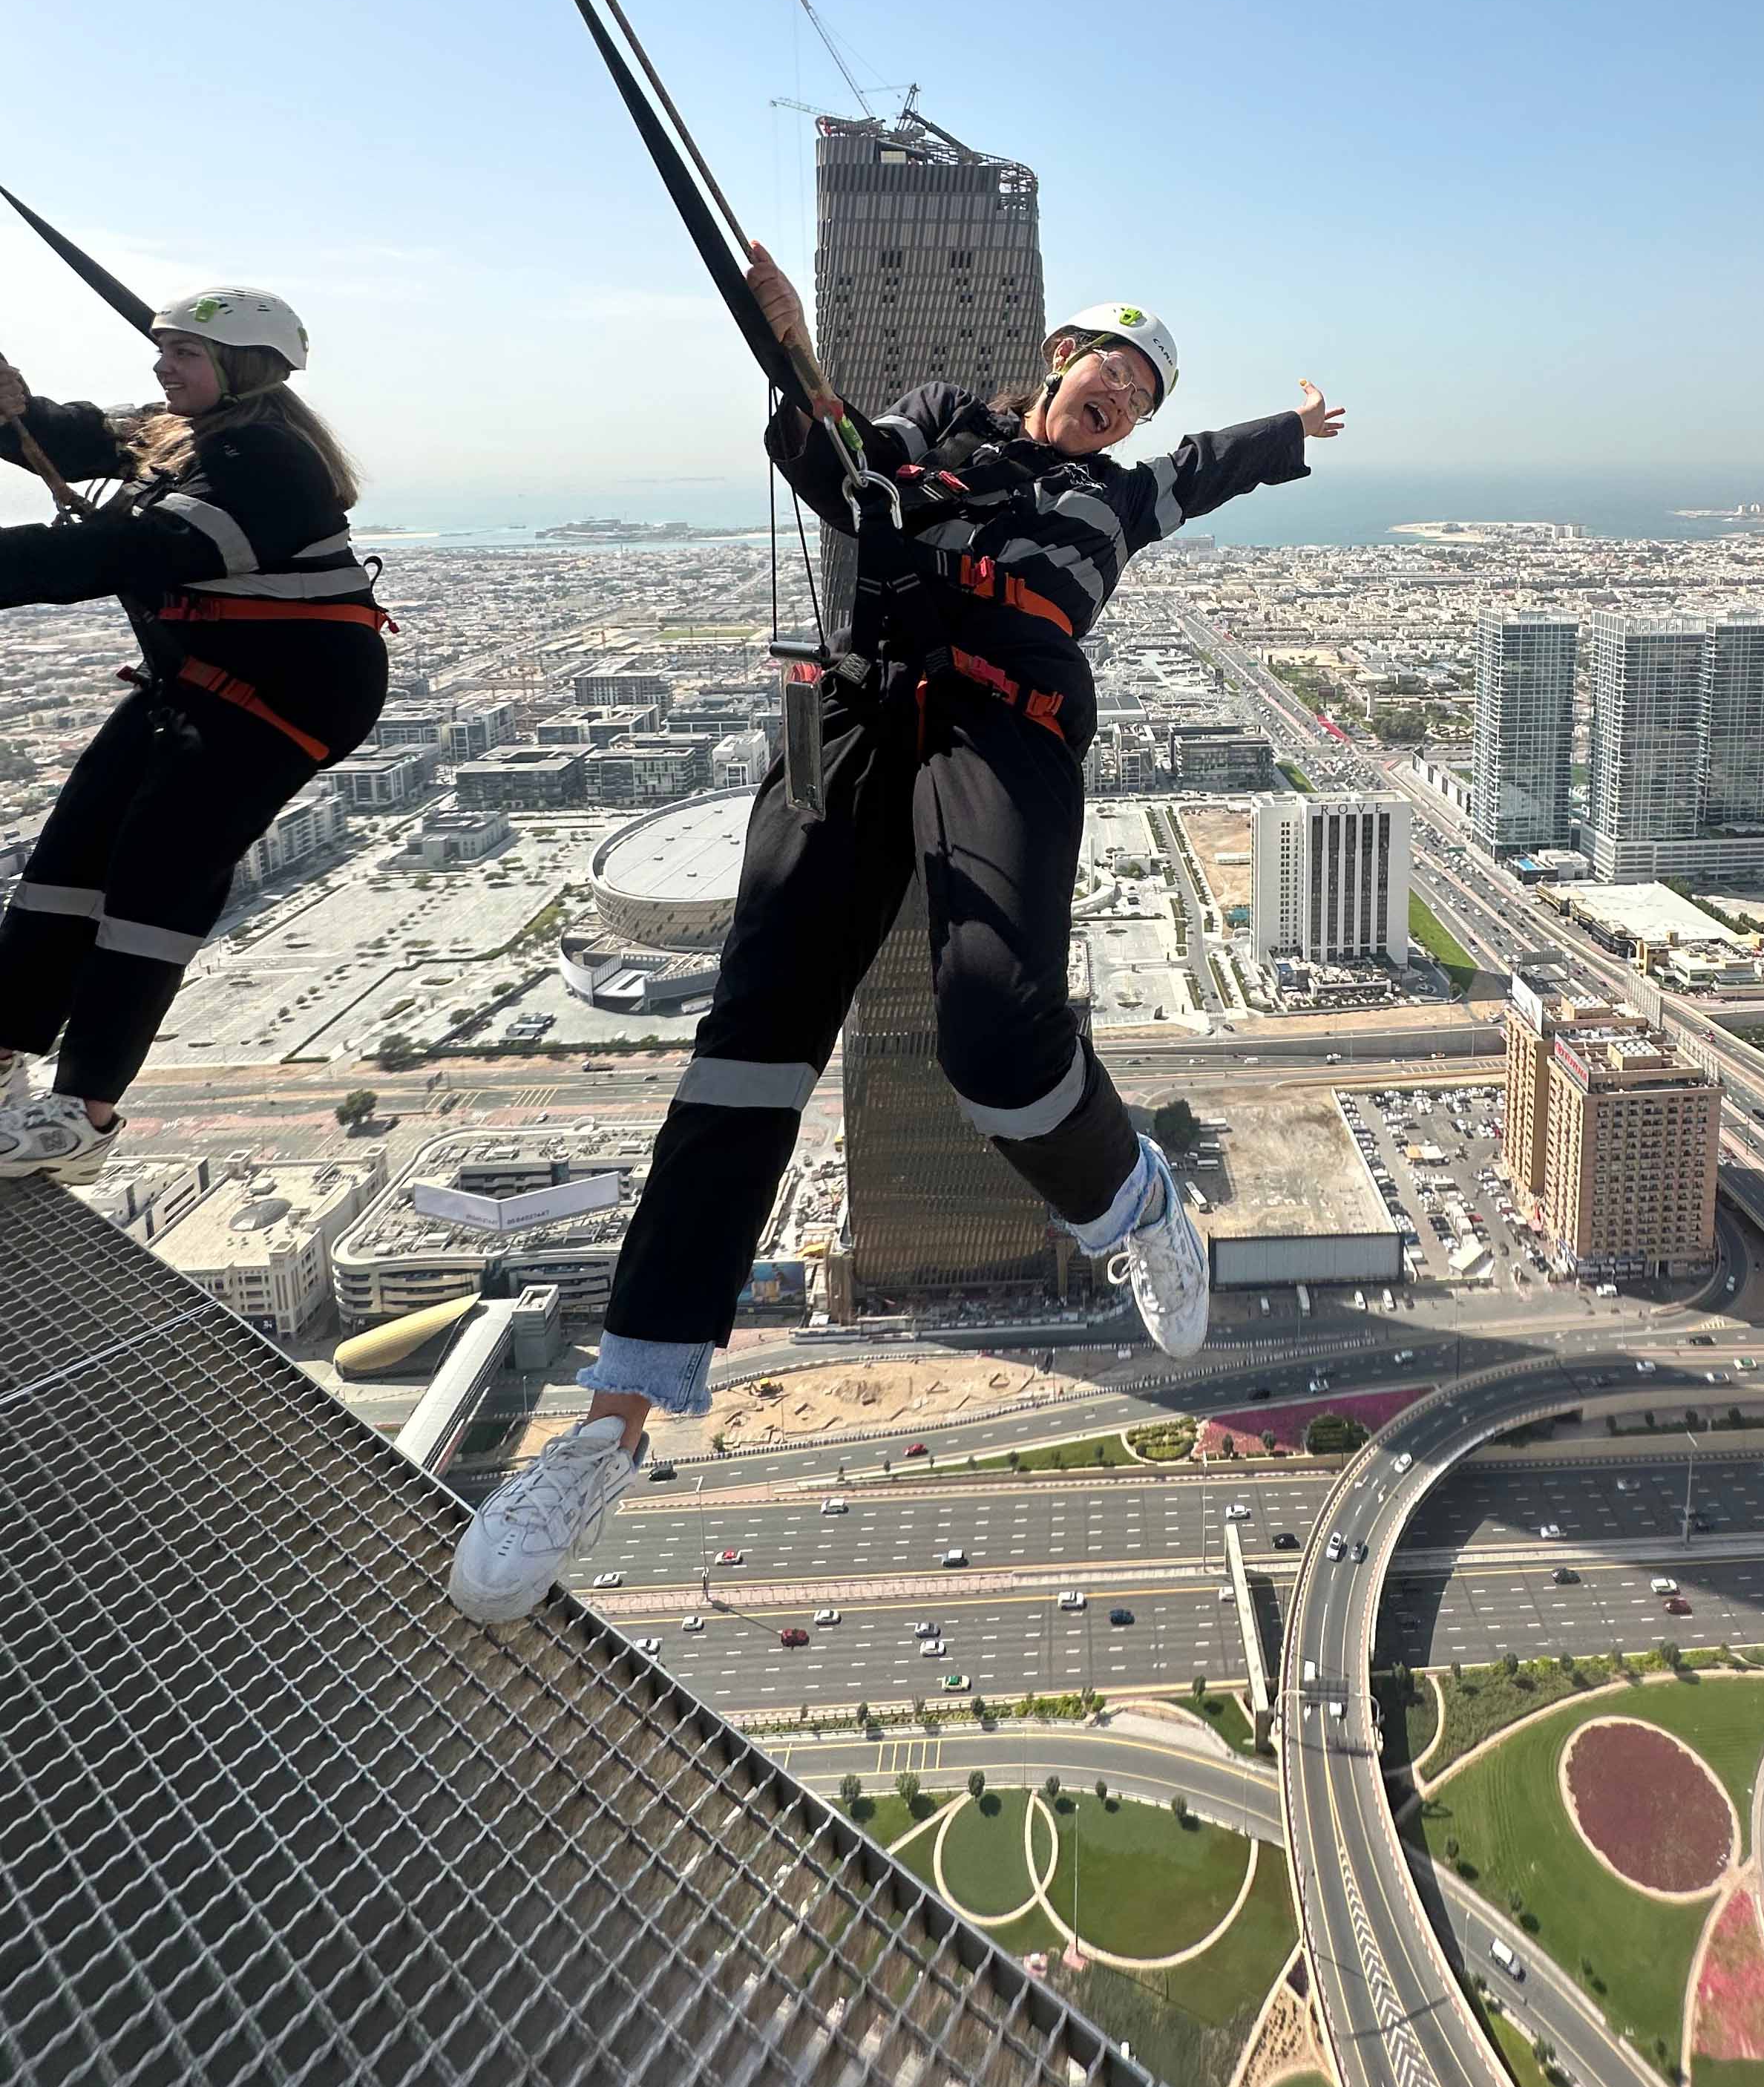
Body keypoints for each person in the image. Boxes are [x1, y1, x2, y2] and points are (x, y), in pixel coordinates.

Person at [451, 252, 1342, 1622]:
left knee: (992, 1028)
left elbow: (1210, 464)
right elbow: (844, 464)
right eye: (1109, 364)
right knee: (748, 1042)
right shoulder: (936, 420)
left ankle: (1129, 1199)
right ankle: (610, 1423)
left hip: (1015, 712)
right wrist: (792, 353)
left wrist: (1289, 434)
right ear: (1057, 358)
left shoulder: (1122, 494)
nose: (1122, 392)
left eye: (1143, 389)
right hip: (865, 701)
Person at [0, 289, 387, 1177]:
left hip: (279, 700)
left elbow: (117, 555)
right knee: (68, 859)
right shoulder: (182, 433)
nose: (162, 366)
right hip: (198, 684)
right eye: (163, 349)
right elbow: (72, 434)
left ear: (241, 367)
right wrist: (16, 414)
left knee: (153, 881)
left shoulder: (266, 458)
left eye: (185, 353)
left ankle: (81, 1117)